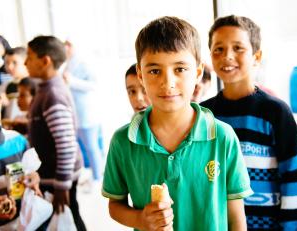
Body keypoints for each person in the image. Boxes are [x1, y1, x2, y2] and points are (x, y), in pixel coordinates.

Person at [102, 16, 253, 231]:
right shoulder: (123, 142)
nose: (168, 83)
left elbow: (236, 217)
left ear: (198, 72)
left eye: (180, 69)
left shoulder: (222, 137)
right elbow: (115, 205)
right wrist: (140, 220)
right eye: (154, 71)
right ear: (140, 74)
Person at [201, 15, 297, 230]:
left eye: (238, 48)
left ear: (256, 56)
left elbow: (293, 177)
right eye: (218, 49)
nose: (227, 56)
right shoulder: (204, 115)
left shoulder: (275, 112)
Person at [25, 35, 86, 231]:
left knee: (69, 217)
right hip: (54, 173)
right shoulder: (45, 89)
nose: (26, 62)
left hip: (59, 175)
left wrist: (61, 186)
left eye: (29, 57)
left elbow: (66, 146)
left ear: (45, 61)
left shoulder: (53, 95)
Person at [63, 39, 104, 182]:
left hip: (87, 114)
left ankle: (98, 178)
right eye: (65, 44)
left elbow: (94, 84)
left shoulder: (84, 63)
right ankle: (92, 173)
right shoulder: (68, 63)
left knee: (92, 147)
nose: (66, 47)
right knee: (84, 147)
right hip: (76, 113)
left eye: (69, 44)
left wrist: (72, 81)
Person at [0, 95, 41, 230]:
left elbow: (32, 173)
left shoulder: (18, 141)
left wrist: (34, 179)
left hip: (19, 223)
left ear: (0, 100)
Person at [2, 47, 29, 120]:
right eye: (7, 63)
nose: (9, 67)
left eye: (15, 63)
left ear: (26, 62)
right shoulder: (7, 85)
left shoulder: (35, 84)